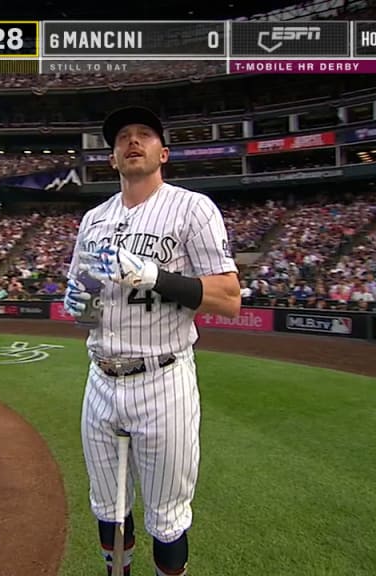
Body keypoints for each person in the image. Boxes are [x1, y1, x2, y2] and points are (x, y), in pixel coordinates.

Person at [63, 106, 241, 576]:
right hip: (100, 379)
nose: (132, 141)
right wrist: (80, 303)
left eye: (144, 134)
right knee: (107, 507)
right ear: (112, 158)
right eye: (123, 136)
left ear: (164, 152)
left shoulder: (192, 208)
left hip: (162, 380)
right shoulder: (93, 220)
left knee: (167, 519)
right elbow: (83, 308)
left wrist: (153, 275)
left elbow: (228, 298)